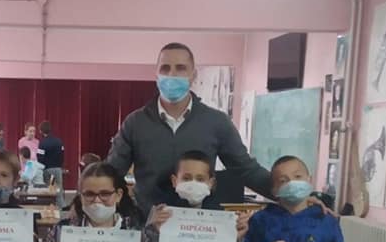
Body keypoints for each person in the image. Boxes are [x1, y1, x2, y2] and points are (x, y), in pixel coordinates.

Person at [107, 42, 272, 217]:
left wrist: (284, 192)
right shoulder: (135, 123)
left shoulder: (217, 122)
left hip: (200, 225)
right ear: (156, 75)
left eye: (180, 68)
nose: (172, 74)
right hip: (148, 224)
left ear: (193, 75)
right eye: (165, 68)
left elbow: (246, 169)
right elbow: (111, 174)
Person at [37, 121, 66, 207]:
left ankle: (49, 205)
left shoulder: (42, 143)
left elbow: (40, 158)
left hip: (48, 169)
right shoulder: (59, 141)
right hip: (58, 169)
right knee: (59, 188)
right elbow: (62, 155)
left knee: (49, 188)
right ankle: (62, 206)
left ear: (41, 131)